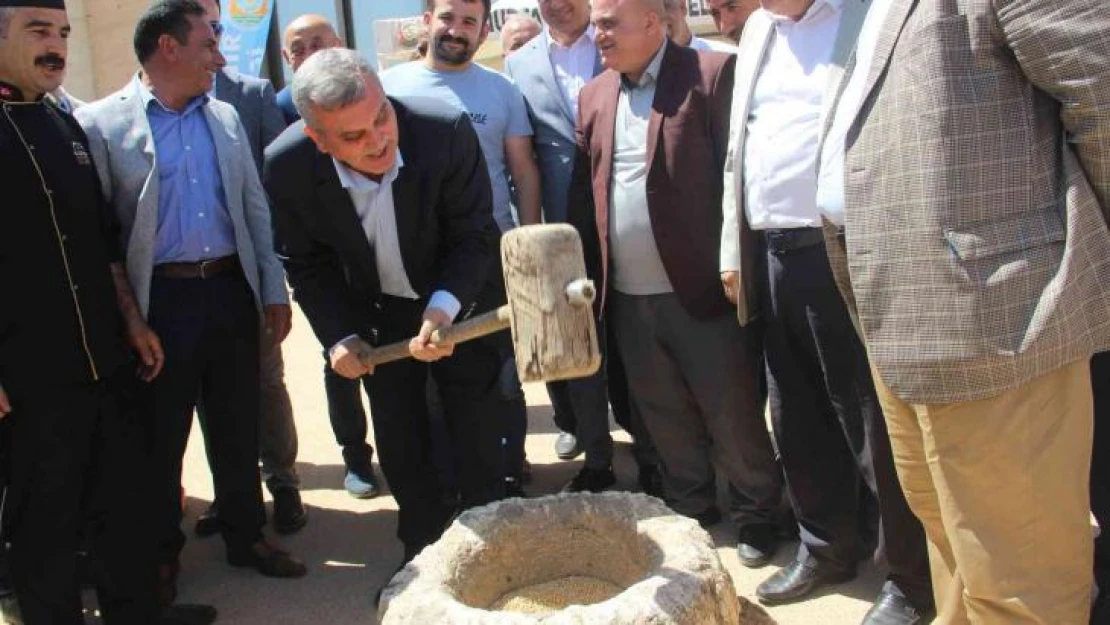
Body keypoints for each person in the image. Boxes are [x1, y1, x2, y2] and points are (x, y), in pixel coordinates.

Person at [817, 0, 1110, 621]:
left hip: (1000, 324)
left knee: (1019, 586)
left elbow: (1101, 86)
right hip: (906, 317)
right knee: (955, 552)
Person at [76, 0, 307, 602]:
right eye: (208, 42)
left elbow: (253, 208)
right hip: (161, 304)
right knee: (159, 436)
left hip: (230, 291)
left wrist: (272, 290)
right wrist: (127, 318)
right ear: (168, 48)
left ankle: (246, 535)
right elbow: (101, 237)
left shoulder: (226, 117)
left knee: (237, 423)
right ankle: (158, 556)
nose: (220, 56)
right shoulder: (103, 125)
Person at [0, 1, 215, 622]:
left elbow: (101, 244)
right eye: (38, 31)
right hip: (29, 372)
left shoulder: (65, 125)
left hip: (103, 356)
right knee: (46, 523)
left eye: (64, 33)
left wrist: (132, 320)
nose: (57, 46)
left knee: (123, 503)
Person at [719, 0, 932, 620]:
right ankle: (827, 548)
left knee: (872, 424)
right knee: (797, 415)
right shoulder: (760, 29)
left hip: (843, 249)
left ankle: (912, 581)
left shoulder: (866, 13)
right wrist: (733, 248)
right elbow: (742, 145)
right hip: (770, 252)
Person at [264, 47, 510, 575]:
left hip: (460, 305)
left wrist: (444, 310)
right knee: (402, 445)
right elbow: (306, 263)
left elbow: (474, 235)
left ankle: (497, 568)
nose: (377, 139)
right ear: (317, 138)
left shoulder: (443, 130)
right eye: (352, 136)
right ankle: (422, 569)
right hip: (378, 321)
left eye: (381, 116)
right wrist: (340, 336)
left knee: (478, 440)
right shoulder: (286, 166)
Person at [570, 0, 785, 560]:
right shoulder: (593, 96)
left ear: (652, 22)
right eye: (595, 24)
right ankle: (693, 506)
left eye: (609, 22)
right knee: (660, 411)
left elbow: (738, 177)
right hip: (627, 295)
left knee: (730, 409)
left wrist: (738, 262)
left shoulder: (709, 75)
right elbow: (584, 192)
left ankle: (758, 513)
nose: (598, 33)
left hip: (702, 288)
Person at [381, 0, 540, 494]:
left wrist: (526, 243)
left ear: (482, 31)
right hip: (416, 254)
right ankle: (443, 481)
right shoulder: (390, 88)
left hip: (488, 250)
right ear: (427, 21)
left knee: (497, 370)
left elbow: (523, 171)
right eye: (447, 17)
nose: (457, 29)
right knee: (427, 367)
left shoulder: (501, 91)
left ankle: (508, 468)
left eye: (469, 22)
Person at [504, 0, 658, 495]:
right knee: (577, 348)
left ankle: (654, 453)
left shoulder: (617, 39)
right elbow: (522, 157)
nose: (559, 4)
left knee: (636, 342)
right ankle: (597, 458)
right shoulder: (518, 63)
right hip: (561, 231)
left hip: (626, 217)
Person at [193, 0, 307, 539]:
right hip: (186, 280)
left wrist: (273, 275)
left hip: (245, 267)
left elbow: (273, 188)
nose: (208, 32)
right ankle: (230, 494)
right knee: (210, 392)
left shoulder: (253, 94)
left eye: (214, 22)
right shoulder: (139, 102)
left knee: (265, 381)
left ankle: (283, 481)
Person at [273, 13, 380, 499]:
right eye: (300, 47)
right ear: (286, 59)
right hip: (325, 269)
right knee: (339, 363)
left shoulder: (372, 98)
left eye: (321, 41)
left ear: (339, 43)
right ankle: (355, 457)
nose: (311, 50)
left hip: (382, 262)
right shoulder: (276, 112)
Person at [275, 13, 341, 125]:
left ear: (337, 47)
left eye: (316, 47)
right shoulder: (279, 108)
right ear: (287, 57)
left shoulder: (364, 92)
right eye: (298, 50)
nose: (308, 56)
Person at [661, 0, 736, 52]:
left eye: (664, 6)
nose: (654, 18)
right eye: (649, 10)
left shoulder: (730, 59)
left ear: (682, 6)